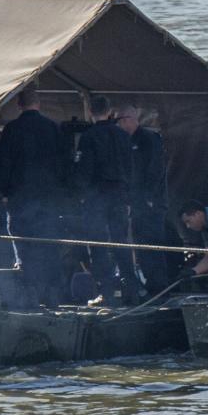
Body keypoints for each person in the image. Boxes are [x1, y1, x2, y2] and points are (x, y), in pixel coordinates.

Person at [0, 89, 65, 306]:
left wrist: (4, 192)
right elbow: (63, 164)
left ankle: (30, 295)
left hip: (21, 197)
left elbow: (1, 164)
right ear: (39, 104)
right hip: (48, 199)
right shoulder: (53, 128)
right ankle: (53, 296)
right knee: (49, 246)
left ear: (19, 104)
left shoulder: (12, 129)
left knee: (24, 247)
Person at [74, 94, 138, 304]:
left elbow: (83, 170)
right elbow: (130, 168)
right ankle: (132, 290)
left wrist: (81, 196)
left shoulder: (89, 137)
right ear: (110, 112)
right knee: (121, 242)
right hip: (119, 195)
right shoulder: (123, 136)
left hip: (97, 196)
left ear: (91, 113)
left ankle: (106, 292)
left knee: (98, 244)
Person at [116, 104, 171, 295]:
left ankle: (160, 286)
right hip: (135, 203)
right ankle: (150, 283)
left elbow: (156, 169)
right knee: (140, 244)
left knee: (152, 243)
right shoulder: (123, 141)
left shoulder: (149, 139)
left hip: (151, 203)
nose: (119, 125)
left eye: (120, 120)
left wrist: (148, 197)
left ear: (129, 119)